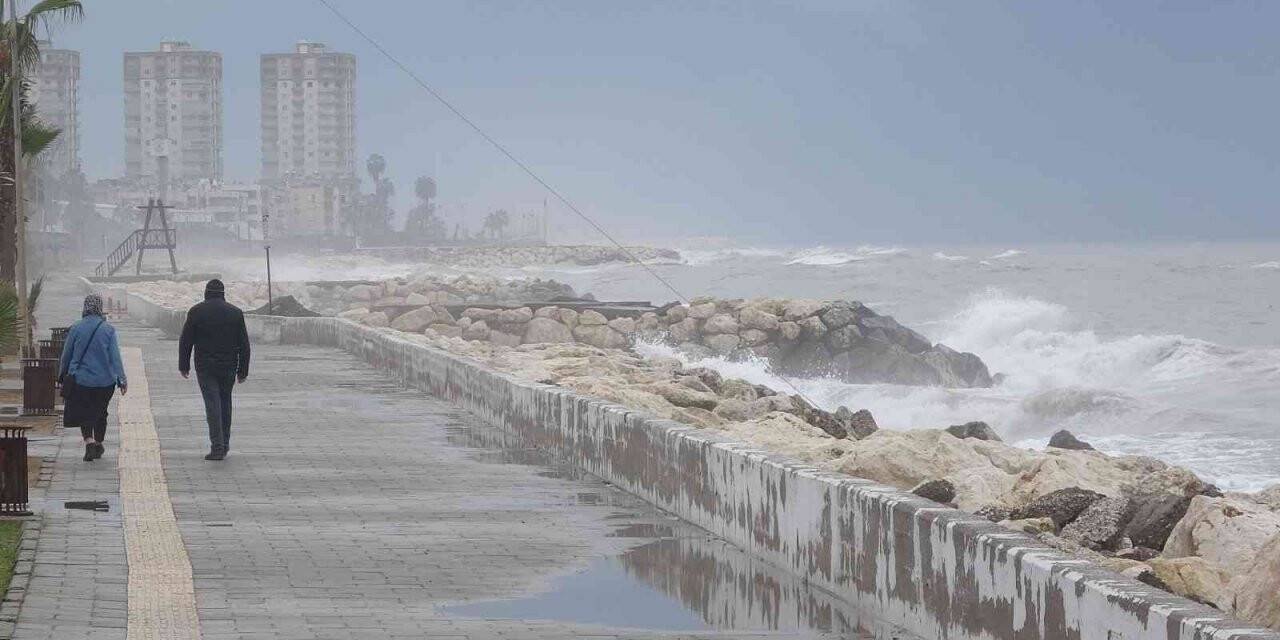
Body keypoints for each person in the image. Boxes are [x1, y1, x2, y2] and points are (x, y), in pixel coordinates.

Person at [178, 279, 250, 461]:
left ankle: (217, 447)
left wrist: (184, 365)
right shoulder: (235, 313)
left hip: (205, 366)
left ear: (206, 293)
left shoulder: (196, 311)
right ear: (223, 294)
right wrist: (243, 371)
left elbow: (186, 341)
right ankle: (224, 444)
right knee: (225, 403)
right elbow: (244, 344)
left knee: (212, 404)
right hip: (229, 366)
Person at [59, 294, 127, 462]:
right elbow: (115, 357)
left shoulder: (76, 328)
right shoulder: (108, 330)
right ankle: (98, 443)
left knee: (85, 411)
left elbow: (66, 354)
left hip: (81, 380)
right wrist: (122, 379)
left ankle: (89, 442)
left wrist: (62, 374)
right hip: (105, 382)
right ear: (99, 308)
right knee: (101, 411)